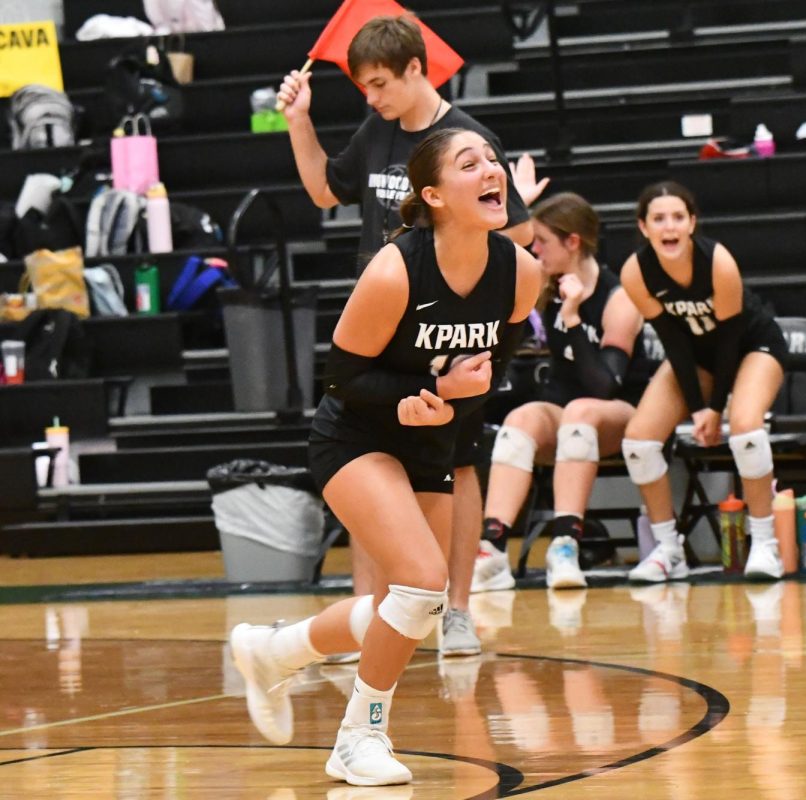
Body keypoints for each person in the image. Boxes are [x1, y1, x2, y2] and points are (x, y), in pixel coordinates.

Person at [229, 128, 540, 786]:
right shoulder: (397, 269)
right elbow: (342, 377)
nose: (491, 170)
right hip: (357, 434)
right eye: (469, 164)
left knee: (412, 604)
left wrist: (454, 415)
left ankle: (274, 650)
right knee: (424, 581)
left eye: (492, 158)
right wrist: (421, 396)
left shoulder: (522, 272)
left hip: (430, 440)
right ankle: (358, 737)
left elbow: (489, 370)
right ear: (433, 196)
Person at [277, 13, 547, 655]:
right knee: (373, 463)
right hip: (386, 319)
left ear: (416, 70)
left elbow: (515, 236)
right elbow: (322, 191)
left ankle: (456, 608)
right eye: (364, 87)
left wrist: (466, 267)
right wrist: (298, 120)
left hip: (451, 325)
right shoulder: (380, 129)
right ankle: (367, 619)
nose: (371, 99)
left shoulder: (469, 142)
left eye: (379, 84)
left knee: (455, 453)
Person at [471, 192, 648, 591]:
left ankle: (565, 545)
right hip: (565, 411)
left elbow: (606, 384)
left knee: (582, 412)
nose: (535, 250)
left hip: (619, 413)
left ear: (573, 242)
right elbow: (492, 267)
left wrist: (570, 318)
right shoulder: (544, 285)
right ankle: (493, 548)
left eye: (542, 241)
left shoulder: (619, 298)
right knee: (520, 420)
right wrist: (514, 209)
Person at [619, 181, 788, 582]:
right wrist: (697, 407)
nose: (669, 227)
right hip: (693, 356)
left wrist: (716, 409)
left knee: (746, 427)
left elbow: (728, 340)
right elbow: (673, 342)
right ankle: (668, 549)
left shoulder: (718, 262)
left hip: (750, 347)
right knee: (639, 442)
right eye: (658, 219)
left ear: (692, 223)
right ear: (644, 228)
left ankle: (765, 542)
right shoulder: (636, 272)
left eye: (678, 217)